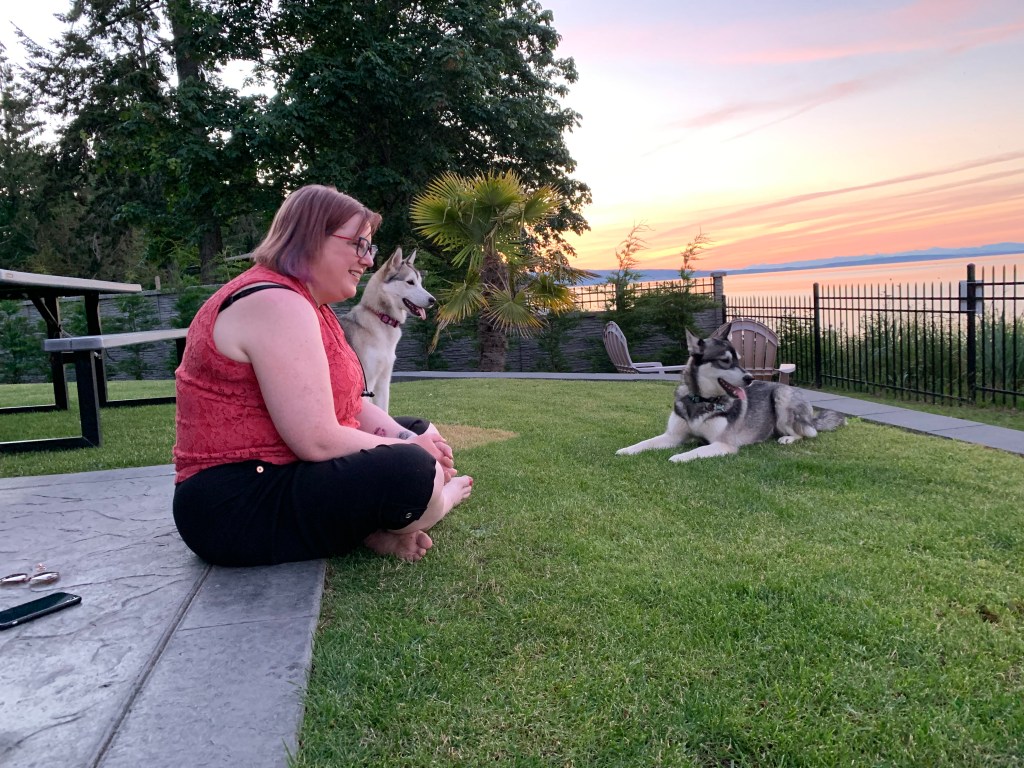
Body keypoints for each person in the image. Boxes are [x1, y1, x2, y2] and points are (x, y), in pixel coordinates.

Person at [172, 184, 473, 566]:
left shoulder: (312, 306)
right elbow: (315, 439)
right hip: (234, 504)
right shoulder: (274, 301)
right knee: (414, 470)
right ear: (311, 238)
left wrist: (407, 436)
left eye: (370, 248)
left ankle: (372, 528)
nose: (367, 261)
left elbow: (351, 405)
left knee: (421, 430)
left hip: (279, 468)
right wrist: (412, 452)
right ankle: (436, 503)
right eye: (360, 245)